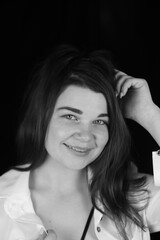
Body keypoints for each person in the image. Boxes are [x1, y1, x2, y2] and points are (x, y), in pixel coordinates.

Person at [0, 44, 160, 240]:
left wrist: (149, 115)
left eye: (100, 121)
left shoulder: (132, 196)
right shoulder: (2, 203)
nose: (86, 136)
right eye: (70, 117)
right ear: (42, 116)